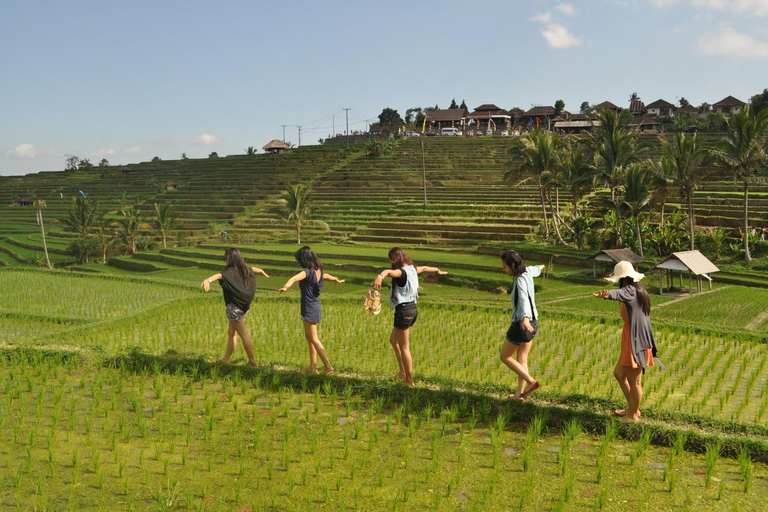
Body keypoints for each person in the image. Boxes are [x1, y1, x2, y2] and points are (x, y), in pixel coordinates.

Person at [593, 261, 663, 421]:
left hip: (636, 340)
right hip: (630, 336)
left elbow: (618, 294)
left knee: (635, 382)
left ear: (623, 279)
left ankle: (633, 414)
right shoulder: (637, 290)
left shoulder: (630, 290)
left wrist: (607, 295)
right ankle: (632, 408)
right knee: (619, 374)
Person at [371, 247, 447, 386]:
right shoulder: (412, 268)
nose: (390, 263)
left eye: (391, 260)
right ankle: (402, 373)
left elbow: (388, 272)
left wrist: (380, 276)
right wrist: (437, 270)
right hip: (412, 309)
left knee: (404, 347)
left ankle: (409, 379)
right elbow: (424, 268)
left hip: (404, 311)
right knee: (394, 340)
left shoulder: (400, 272)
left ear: (394, 259)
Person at [279, 246, 344, 374]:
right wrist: (335, 279)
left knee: (314, 338)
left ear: (304, 260)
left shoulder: (307, 272)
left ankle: (328, 366)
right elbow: (327, 276)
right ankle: (312, 367)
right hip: (314, 306)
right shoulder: (319, 270)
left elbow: (294, 278)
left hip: (308, 307)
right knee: (309, 338)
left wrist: (285, 287)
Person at [201, 248, 269, 367]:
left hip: (234, 309)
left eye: (226, 259)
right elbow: (254, 269)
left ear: (229, 259)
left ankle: (253, 362)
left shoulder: (228, 273)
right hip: (244, 307)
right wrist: (261, 271)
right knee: (232, 333)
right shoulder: (245, 270)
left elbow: (219, 275)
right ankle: (225, 360)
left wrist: (208, 280)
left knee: (243, 335)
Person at [499, 250, 544, 401]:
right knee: (522, 359)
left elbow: (523, 298)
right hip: (534, 323)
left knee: (505, 356)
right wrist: (541, 267)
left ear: (512, 266)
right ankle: (519, 395)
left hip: (522, 324)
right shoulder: (527, 272)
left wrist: (524, 318)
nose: (504, 270)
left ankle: (531, 382)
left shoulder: (519, 280)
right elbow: (535, 269)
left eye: (505, 267)